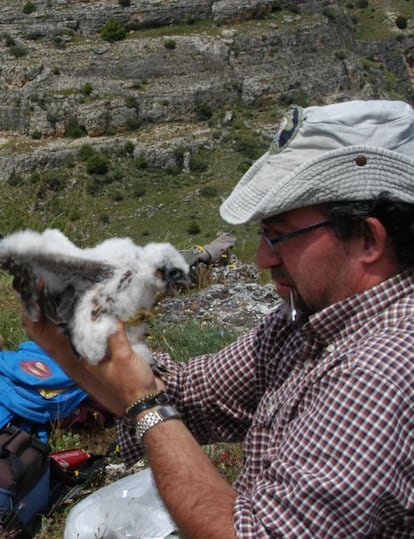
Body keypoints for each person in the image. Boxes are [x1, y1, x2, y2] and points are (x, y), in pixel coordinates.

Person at [22, 100, 414, 538]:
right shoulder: (304, 323)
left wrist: (146, 404)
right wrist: (64, 342)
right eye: (264, 235)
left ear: (367, 238)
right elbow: (189, 396)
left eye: (281, 236)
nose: (264, 257)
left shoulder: (383, 369)